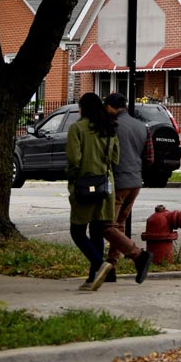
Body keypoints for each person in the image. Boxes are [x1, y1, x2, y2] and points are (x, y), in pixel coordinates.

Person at [67, 92, 120, 291]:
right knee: (97, 231)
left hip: (84, 185)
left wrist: (72, 178)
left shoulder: (77, 128)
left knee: (77, 231)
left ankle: (99, 265)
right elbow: (115, 159)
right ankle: (93, 278)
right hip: (105, 185)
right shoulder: (110, 128)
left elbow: (74, 160)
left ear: (83, 108)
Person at [101, 93, 152, 284]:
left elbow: (106, 154)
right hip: (135, 181)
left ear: (111, 107)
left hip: (118, 182)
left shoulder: (112, 126)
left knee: (106, 225)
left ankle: (138, 255)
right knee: (119, 224)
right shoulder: (141, 126)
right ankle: (111, 267)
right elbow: (149, 157)